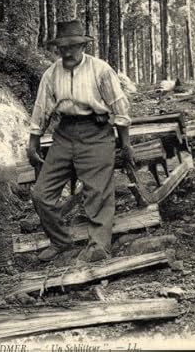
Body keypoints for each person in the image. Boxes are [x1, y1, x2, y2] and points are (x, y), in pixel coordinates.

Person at [27, 19, 134, 262]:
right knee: (41, 194)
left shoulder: (101, 70)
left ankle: (99, 247)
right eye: (62, 47)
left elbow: (120, 107)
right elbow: (41, 109)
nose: (67, 52)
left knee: (97, 193)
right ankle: (61, 242)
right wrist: (33, 143)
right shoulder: (52, 73)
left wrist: (125, 143)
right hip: (64, 134)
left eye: (73, 46)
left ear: (83, 46)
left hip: (96, 134)